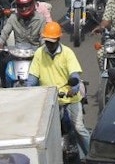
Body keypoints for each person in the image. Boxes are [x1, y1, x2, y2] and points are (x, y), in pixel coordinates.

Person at [26, 22, 89, 159]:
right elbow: (32, 77)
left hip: (69, 98)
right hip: (49, 99)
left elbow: (74, 75)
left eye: (52, 42)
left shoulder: (67, 53)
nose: (49, 45)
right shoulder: (39, 53)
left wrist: (74, 88)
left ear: (58, 40)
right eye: (47, 41)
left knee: (79, 128)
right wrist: (28, 91)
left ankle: (91, 155)